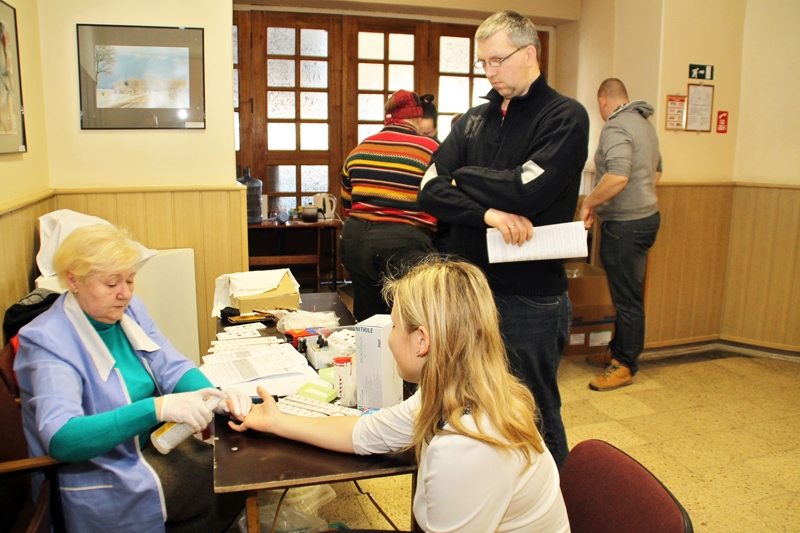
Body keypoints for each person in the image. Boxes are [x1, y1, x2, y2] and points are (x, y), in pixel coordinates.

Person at [228, 258, 570, 532]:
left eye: (393, 325)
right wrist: (277, 421)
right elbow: (364, 432)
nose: (390, 337)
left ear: (422, 341)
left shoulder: (467, 447)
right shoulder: (455, 392)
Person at [417, 10, 589, 470]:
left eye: (498, 60)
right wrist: (490, 213)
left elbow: (528, 190)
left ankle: (559, 506)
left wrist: (464, 177)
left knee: (531, 413)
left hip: (528, 297)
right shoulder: (473, 120)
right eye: (484, 62)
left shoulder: (565, 116)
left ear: (530, 53)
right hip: (469, 289)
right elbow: (428, 189)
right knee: (469, 408)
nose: (489, 71)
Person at [14, 225, 251, 533]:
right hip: (99, 469)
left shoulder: (127, 310)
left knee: (235, 468)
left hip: (149, 445)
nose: (124, 293)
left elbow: (170, 364)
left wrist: (214, 395)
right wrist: (156, 409)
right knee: (228, 483)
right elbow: (62, 439)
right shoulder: (49, 341)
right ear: (73, 279)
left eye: (129, 280)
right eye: (112, 283)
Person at [580, 78, 662, 391]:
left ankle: (625, 364)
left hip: (626, 225)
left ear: (603, 101)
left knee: (627, 299)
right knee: (627, 294)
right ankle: (619, 353)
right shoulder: (644, 124)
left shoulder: (615, 127)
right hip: (646, 218)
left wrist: (589, 202)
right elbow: (656, 172)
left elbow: (617, 174)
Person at [340, 89, 440, 321]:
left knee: (369, 320)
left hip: (355, 240)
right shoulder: (430, 149)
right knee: (412, 321)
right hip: (402, 244)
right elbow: (443, 200)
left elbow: (347, 206)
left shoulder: (358, 150)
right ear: (417, 118)